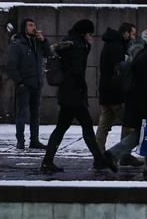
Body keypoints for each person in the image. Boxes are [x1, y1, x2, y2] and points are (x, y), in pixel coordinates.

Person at [40, 19, 115, 174]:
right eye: (89, 33)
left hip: (68, 93)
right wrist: (81, 88)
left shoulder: (71, 42)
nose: (91, 36)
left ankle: (48, 162)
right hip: (74, 94)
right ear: (84, 32)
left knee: (65, 129)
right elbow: (77, 70)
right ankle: (99, 160)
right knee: (83, 128)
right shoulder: (78, 46)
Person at [105, 29, 147, 178]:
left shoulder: (143, 55)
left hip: (138, 101)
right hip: (144, 102)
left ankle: (114, 155)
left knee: (143, 133)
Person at [95, 22, 143, 168]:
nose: (134, 38)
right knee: (130, 124)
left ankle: (99, 156)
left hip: (106, 91)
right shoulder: (117, 47)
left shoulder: (111, 44)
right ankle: (122, 155)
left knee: (104, 125)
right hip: (116, 93)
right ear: (126, 33)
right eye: (133, 34)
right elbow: (121, 71)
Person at [6, 18, 51, 150]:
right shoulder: (17, 44)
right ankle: (20, 141)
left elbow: (49, 53)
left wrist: (43, 40)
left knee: (35, 114)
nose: (33, 27)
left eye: (34, 25)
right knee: (22, 114)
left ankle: (34, 140)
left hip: (37, 83)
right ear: (24, 27)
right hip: (24, 85)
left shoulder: (37, 43)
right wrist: (19, 82)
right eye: (30, 25)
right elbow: (11, 65)